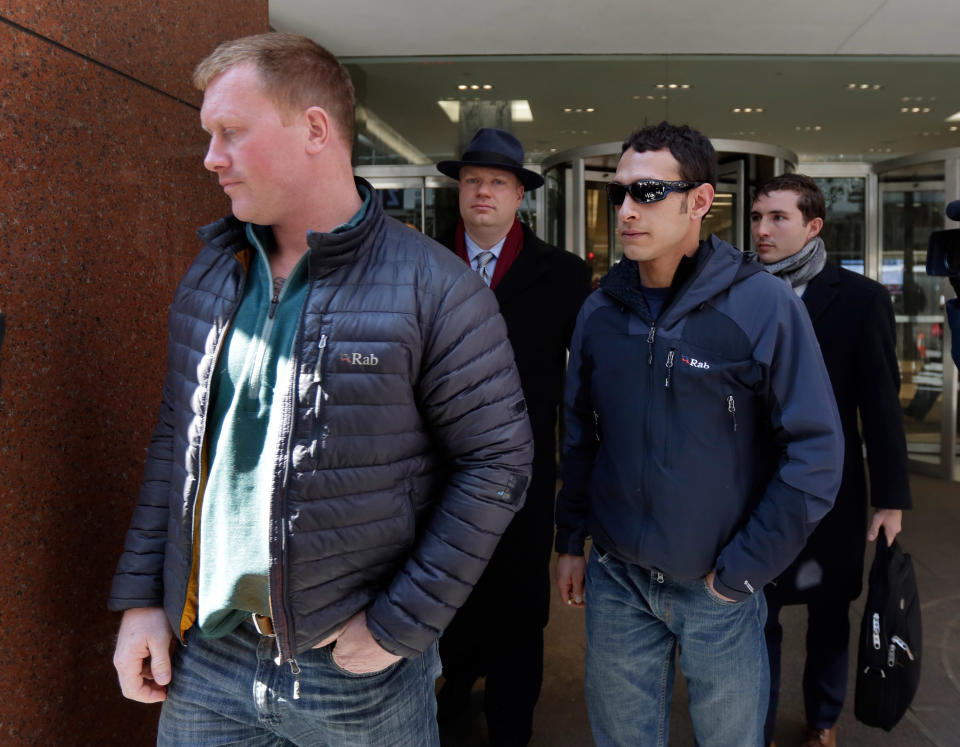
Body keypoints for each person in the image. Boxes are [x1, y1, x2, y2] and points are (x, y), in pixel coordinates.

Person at [108, 32, 533, 746]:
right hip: (208, 657)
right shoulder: (212, 275)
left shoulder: (434, 286)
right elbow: (175, 443)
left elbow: (497, 463)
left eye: (230, 132)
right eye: (209, 135)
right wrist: (142, 599)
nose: (212, 156)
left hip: (355, 673)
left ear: (313, 128)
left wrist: (400, 624)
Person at [554, 121, 844, 747]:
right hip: (618, 578)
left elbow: (816, 451)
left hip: (719, 585)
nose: (628, 210)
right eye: (620, 194)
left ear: (700, 201)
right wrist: (571, 538)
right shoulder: (600, 309)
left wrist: (743, 570)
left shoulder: (762, 305)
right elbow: (579, 434)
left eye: (649, 192)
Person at [434, 128, 591, 746]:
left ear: (519, 195)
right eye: (472, 180)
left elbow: (585, 393)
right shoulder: (419, 260)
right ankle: (440, 714)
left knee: (519, 617)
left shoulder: (564, 276)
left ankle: (510, 732)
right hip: (431, 483)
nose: (483, 192)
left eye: (498, 182)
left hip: (521, 488)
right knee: (440, 610)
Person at [750, 174, 911, 747]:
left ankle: (822, 720)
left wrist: (891, 498)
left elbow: (881, 405)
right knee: (752, 614)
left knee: (828, 612)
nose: (762, 229)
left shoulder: (861, 298)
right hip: (750, 489)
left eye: (778, 218)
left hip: (831, 490)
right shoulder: (737, 290)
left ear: (813, 225)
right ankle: (756, 727)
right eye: (757, 216)